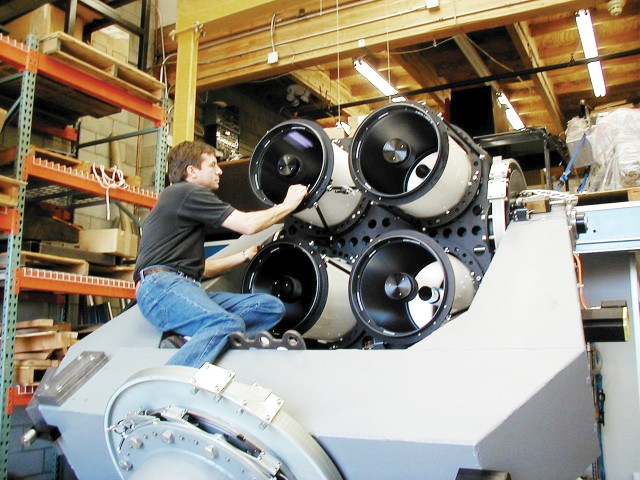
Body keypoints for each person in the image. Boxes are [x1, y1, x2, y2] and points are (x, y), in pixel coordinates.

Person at [133, 140, 307, 368]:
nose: (219, 170)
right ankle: (167, 386)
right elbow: (248, 225)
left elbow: (199, 270)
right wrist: (289, 205)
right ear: (192, 171)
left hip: (181, 284)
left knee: (270, 307)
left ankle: (190, 340)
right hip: (161, 287)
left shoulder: (181, 202)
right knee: (225, 323)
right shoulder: (187, 192)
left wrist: (243, 255)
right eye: (213, 165)